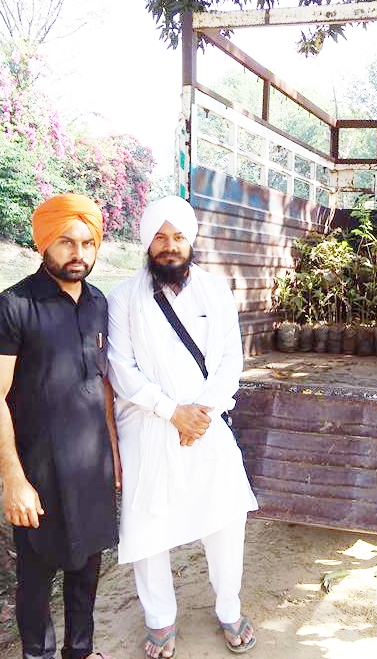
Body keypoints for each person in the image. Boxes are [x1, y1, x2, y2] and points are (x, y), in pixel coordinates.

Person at [106, 195, 258, 658]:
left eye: (177, 237)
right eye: (159, 237)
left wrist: (201, 413)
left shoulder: (216, 291)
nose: (169, 246)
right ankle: (160, 620)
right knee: (147, 525)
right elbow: (121, 368)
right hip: (147, 423)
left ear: (190, 241)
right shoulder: (123, 297)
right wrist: (171, 412)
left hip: (206, 422)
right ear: (146, 243)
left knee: (226, 514)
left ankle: (229, 608)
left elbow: (231, 360)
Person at [0, 194, 121, 659]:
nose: (79, 253)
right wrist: (14, 480)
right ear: (45, 243)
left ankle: (81, 651)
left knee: (86, 570)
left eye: (88, 243)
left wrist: (113, 455)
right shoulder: (14, 306)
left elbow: (102, 385)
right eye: (67, 242)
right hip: (38, 471)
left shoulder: (98, 303)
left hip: (91, 468)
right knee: (35, 579)